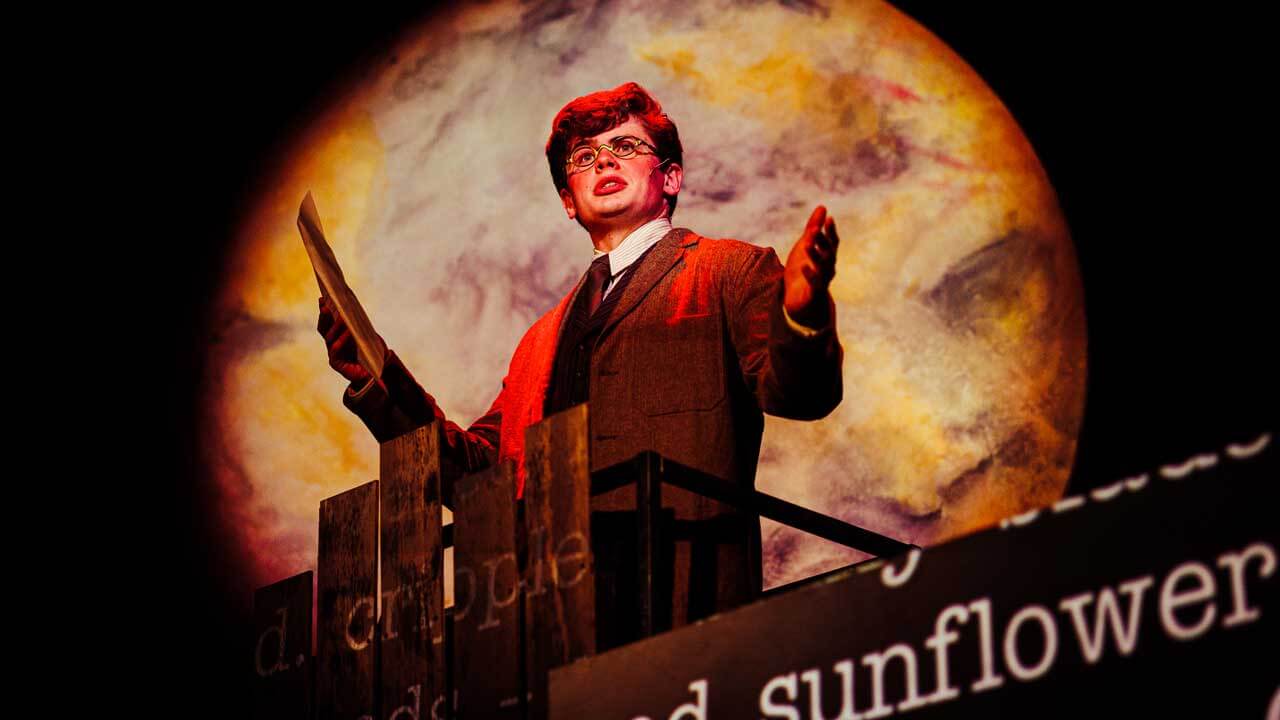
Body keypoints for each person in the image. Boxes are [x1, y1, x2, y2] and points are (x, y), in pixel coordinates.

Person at [318, 82, 842, 646]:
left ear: (669, 178)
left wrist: (803, 314)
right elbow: (479, 480)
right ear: (569, 201)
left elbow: (800, 394)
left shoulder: (728, 271)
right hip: (547, 628)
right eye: (585, 157)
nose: (605, 160)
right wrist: (377, 380)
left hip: (684, 616)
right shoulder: (538, 341)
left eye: (626, 146)